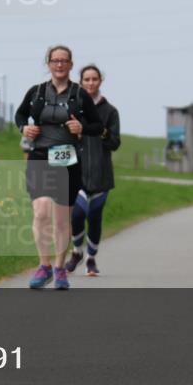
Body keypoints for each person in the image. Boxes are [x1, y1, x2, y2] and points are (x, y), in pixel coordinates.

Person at [15, 45, 103, 290]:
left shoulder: (80, 94)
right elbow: (20, 115)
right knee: (41, 212)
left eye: (64, 61)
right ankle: (44, 266)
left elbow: (97, 126)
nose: (60, 65)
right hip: (40, 157)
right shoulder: (36, 92)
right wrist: (24, 128)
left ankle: (60, 268)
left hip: (67, 160)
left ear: (71, 65)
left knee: (62, 220)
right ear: (49, 64)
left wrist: (82, 128)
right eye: (55, 61)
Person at [66, 64, 120, 277]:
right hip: (77, 173)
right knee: (77, 215)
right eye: (86, 79)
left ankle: (91, 258)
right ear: (80, 82)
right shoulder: (73, 109)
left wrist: (103, 133)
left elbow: (115, 143)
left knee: (95, 217)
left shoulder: (110, 111)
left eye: (94, 79)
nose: (90, 83)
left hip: (101, 174)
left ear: (100, 81)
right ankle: (77, 252)